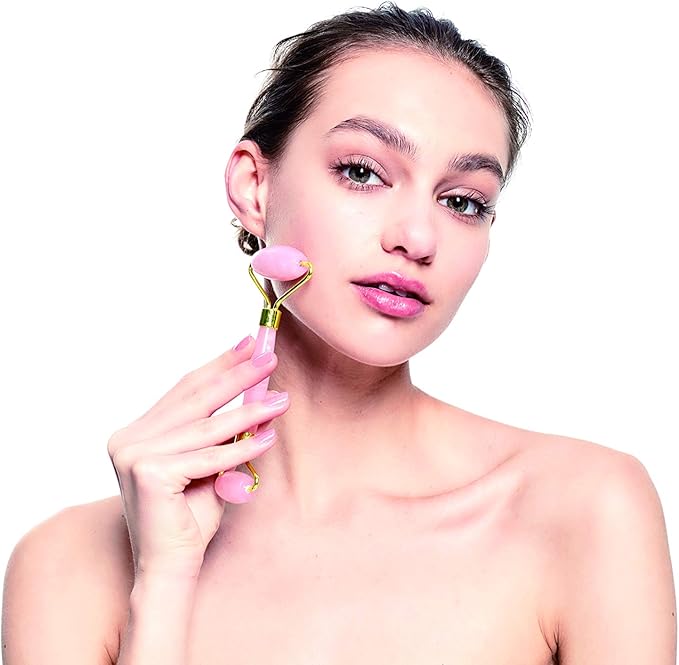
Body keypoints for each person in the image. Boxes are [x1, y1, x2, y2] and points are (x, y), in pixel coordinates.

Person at [2, 3, 676, 664]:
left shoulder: (585, 509)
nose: (417, 237)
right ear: (254, 187)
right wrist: (164, 581)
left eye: (462, 201)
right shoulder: (67, 566)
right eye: (362, 172)